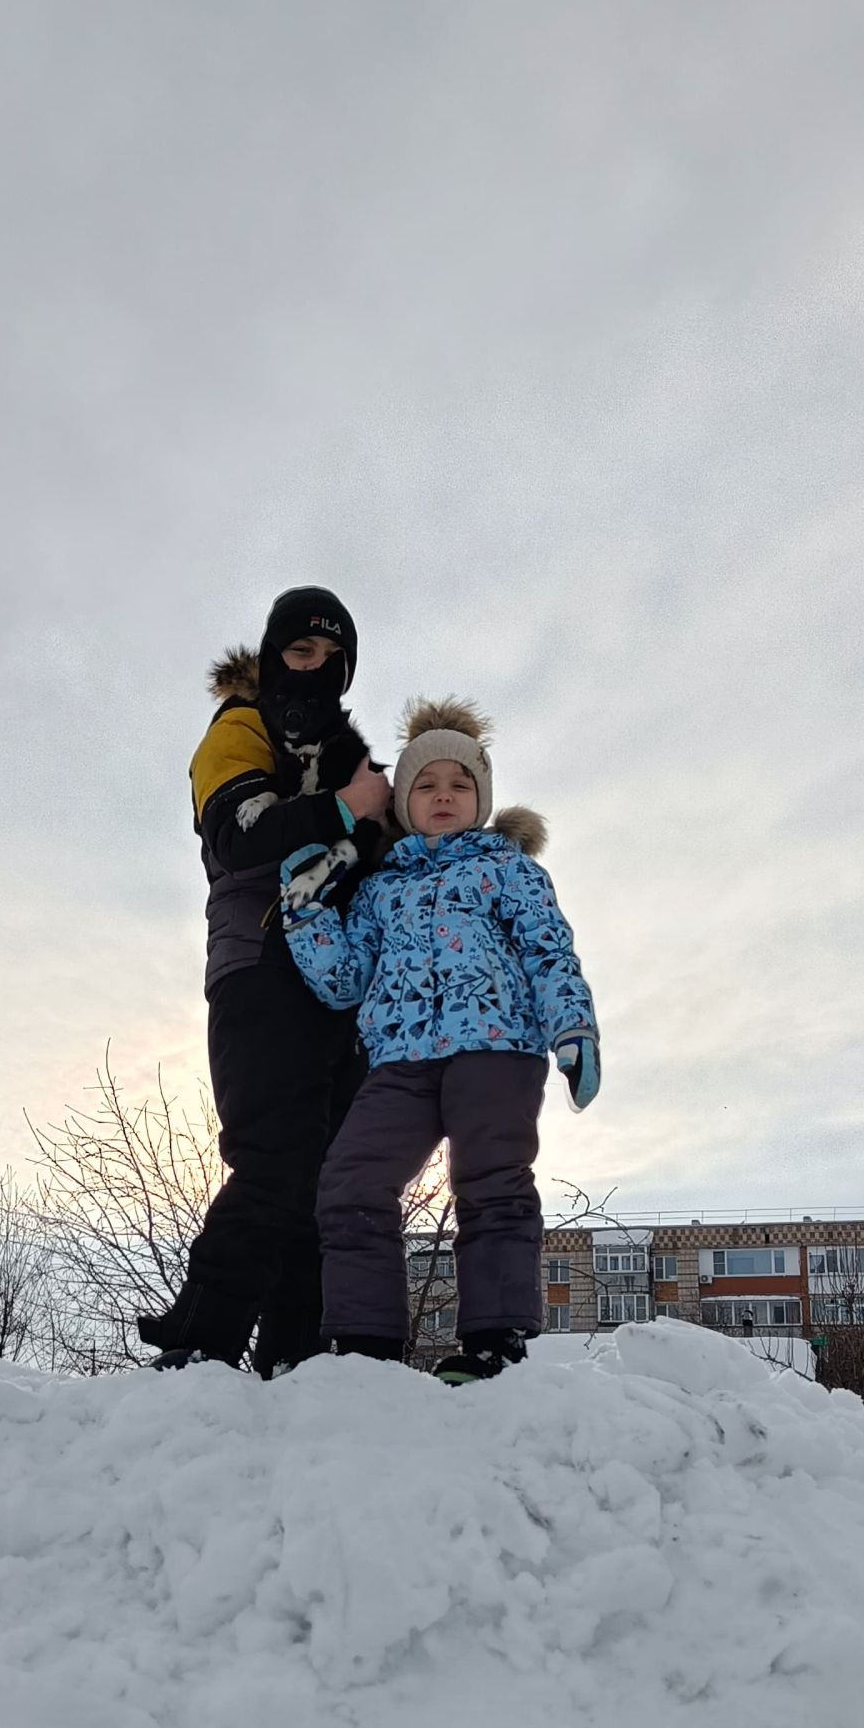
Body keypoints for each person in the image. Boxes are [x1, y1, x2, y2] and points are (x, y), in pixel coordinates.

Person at [281, 697, 599, 1383]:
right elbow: (343, 981)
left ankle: (495, 1339)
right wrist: (306, 913)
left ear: (480, 799)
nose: (443, 795)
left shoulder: (507, 869)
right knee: (349, 1181)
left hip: (496, 1045)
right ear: (404, 801)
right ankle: (365, 1347)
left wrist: (572, 1026)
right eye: (426, 785)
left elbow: (549, 952)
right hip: (400, 1059)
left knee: (490, 1179)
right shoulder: (378, 890)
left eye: (459, 785)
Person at [140, 586, 391, 1374]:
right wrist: (349, 812)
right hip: (258, 966)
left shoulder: (347, 751)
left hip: (340, 987)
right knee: (275, 1157)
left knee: (331, 1174)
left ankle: (297, 1359)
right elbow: (239, 832)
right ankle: (202, 1339)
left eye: (331, 658)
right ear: (272, 654)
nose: (314, 669)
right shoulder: (239, 729)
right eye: (300, 652)